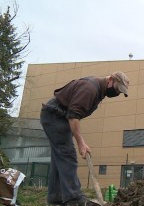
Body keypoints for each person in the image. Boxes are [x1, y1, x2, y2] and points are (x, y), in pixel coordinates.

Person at [40, 71, 129, 206]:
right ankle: (74, 198)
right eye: (117, 88)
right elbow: (73, 116)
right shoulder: (90, 89)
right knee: (68, 155)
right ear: (110, 79)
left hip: (58, 117)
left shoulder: (98, 90)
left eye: (120, 92)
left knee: (60, 157)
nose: (116, 93)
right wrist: (81, 143)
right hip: (55, 115)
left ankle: (55, 197)